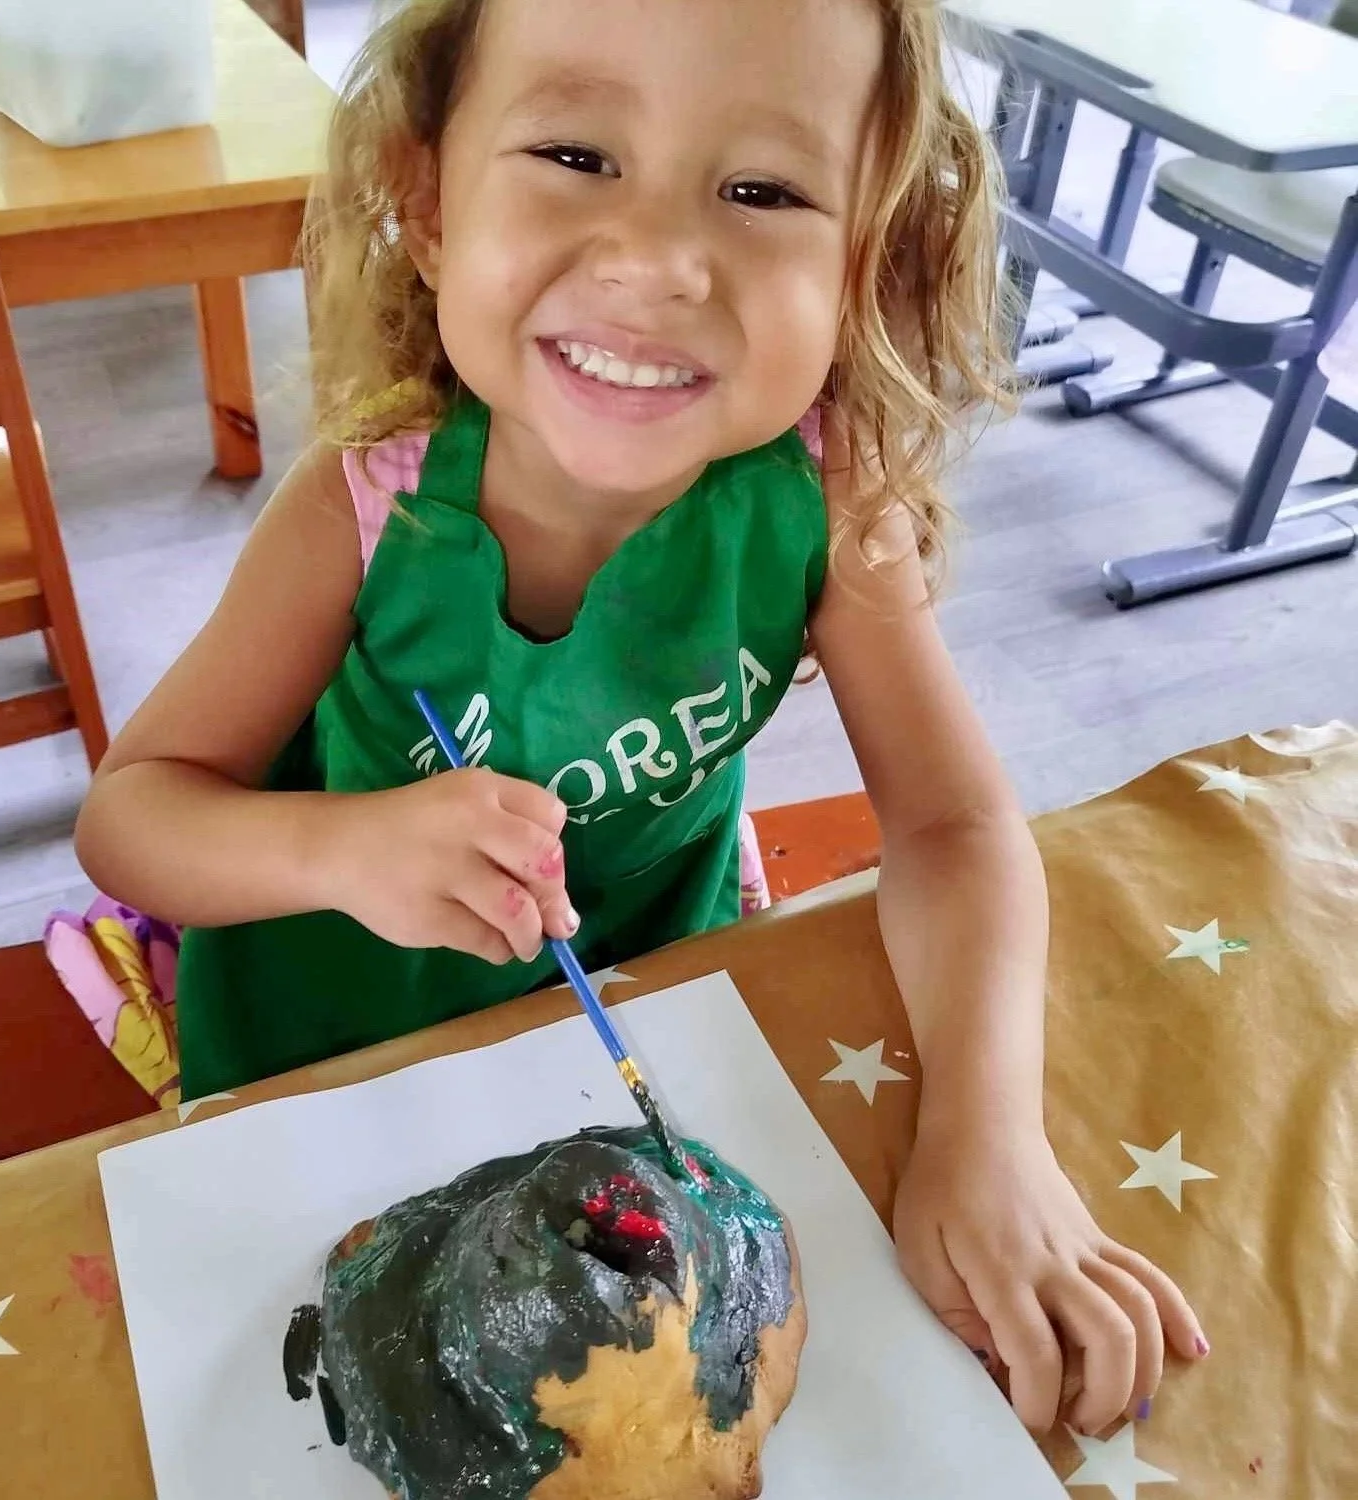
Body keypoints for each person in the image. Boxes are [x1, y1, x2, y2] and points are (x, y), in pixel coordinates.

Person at [76, 0, 1209, 1437]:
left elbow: (953, 820)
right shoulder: (360, 511)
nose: (660, 263)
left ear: (864, 260)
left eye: (762, 190)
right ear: (428, 204)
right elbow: (135, 815)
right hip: (341, 1056)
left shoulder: (824, 499)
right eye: (573, 151)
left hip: (651, 1031)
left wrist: (988, 1138)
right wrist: (342, 852)